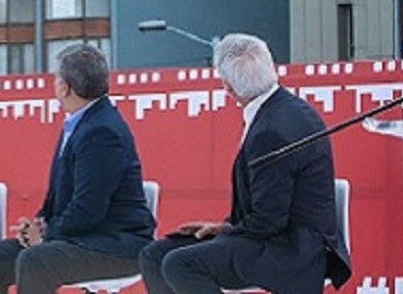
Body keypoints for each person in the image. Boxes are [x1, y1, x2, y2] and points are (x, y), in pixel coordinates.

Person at [139, 33, 351, 294]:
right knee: (154, 256)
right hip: (273, 235)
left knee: (180, 264)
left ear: (227, 87)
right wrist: (223, 228)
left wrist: (226, 232)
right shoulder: (284, 108)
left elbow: (269, 220)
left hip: (291, 250)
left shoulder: (272, 131)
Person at [0, 44, 154, 294]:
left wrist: (46, 235)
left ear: (64, 87)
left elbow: (88, 209)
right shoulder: (79, 124)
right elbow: (62, 198)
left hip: (114, 244)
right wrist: (39, 225)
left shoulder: (102, 132)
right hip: (77, 237)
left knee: (36, 261)